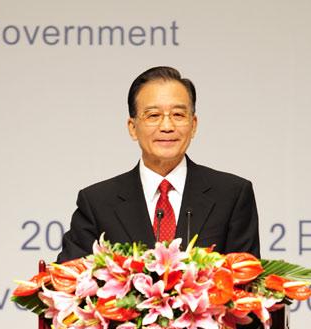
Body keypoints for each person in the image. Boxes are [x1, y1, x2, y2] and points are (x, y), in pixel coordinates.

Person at [57, 66, 259, 263]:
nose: (167, 126)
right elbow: (69, 280)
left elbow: (248, 285)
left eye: (178, 115)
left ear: (193, 125)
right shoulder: (98, 203)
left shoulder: (231, 195)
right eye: (153, 116)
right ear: (133, 128)